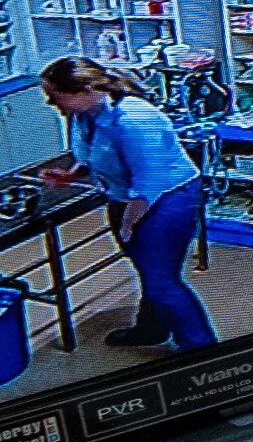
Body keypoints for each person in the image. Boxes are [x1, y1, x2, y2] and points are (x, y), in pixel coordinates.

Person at [39, 57, 216, 352]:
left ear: (84, 88)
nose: (51, 103)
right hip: (128, 196)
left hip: (168, 196)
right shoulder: (85, 116)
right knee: (149, 269)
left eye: (54, 95)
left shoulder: (135, 118)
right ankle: (152, 328)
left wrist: (128, 224)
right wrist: (72, 175)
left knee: (161, 280)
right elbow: (96, 156)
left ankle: (202, 350)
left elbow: (147, 184)